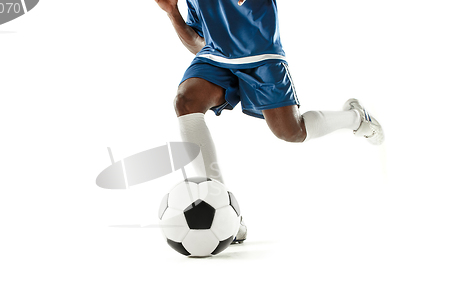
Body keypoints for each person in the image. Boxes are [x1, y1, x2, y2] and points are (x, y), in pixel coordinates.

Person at [154, 0, 384, 243]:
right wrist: (172, 13)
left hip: (262, 57)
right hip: (216, 58)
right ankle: (226, 213)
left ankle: (356, 118)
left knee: (291, 131)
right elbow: (200, 43)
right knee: (185, 102)